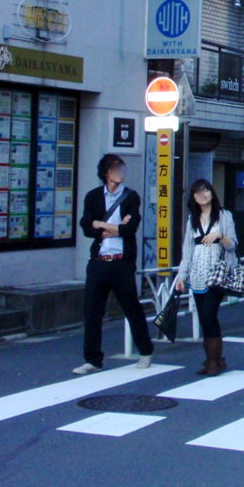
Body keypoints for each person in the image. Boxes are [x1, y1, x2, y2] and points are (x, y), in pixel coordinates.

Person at [75, 154, 154, 374]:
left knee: (131, 307)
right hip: (99, 261)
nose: (120, 172)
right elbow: (86, 227)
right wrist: (112, 226)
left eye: (121, 168)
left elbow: (130, 229)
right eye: (115, 168)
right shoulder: (93, 197)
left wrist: (101, 226)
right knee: (92, 311)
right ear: (106, 172)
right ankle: (92, 359)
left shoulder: (130, 197)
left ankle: (145, 350)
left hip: (121, 262)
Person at [175, 178, 238, 376]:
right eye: (197, 192)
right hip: (197, 274)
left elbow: (233, 244)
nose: (202, 194)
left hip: (217, 273)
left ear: (212, 192)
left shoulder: (224, 216)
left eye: (206, 190)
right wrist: (181, 276)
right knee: (203, 316)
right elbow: (187, 250)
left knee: (209, 314)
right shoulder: (191, 220)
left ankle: (214, 360)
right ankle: (214, 359)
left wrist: (219, 236)